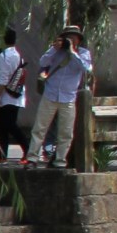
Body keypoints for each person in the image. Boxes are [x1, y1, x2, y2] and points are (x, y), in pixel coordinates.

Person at [28, 26, 92, 168]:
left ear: (78, 39)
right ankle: (32, 158)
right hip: (50, 95)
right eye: (68, 36)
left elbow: (85, 68)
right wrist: (53, 49)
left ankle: (60, 161)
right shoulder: (55, 51)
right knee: (40, 128)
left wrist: (72, 52)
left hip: (68, 97)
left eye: (73, 37)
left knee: (66, 132)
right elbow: (42, 62)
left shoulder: (83, 53)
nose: (70, 39)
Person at [0, 28, 28, 162]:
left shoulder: (4, 56)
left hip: (7, 95)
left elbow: (3, 79)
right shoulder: (18, 55)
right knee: (3, 125)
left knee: (9, 125)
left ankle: (27, 147)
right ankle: (2, 154)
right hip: (17, 93)